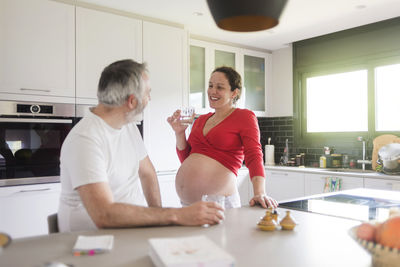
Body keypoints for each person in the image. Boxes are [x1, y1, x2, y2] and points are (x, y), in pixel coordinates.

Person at [58, 59, 224, 232]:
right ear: (132, 101)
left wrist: (160, 219)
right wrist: (176, 215)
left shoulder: (128, 126)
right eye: (147, 94)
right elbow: (104, 215)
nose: (149, 99)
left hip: (131, 230)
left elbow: (147, 173)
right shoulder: (86, 139)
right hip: (91, 242)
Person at [167, 66, 278, 209]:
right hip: (189, 205)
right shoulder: (200, 120)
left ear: (234, 93)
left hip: (221, 204)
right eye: (210, 85)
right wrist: (179, 133)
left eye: (220, 87)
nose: (213, 91)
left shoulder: (244, 117)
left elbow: (254, 155)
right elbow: (187, 159)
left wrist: (260, 192)